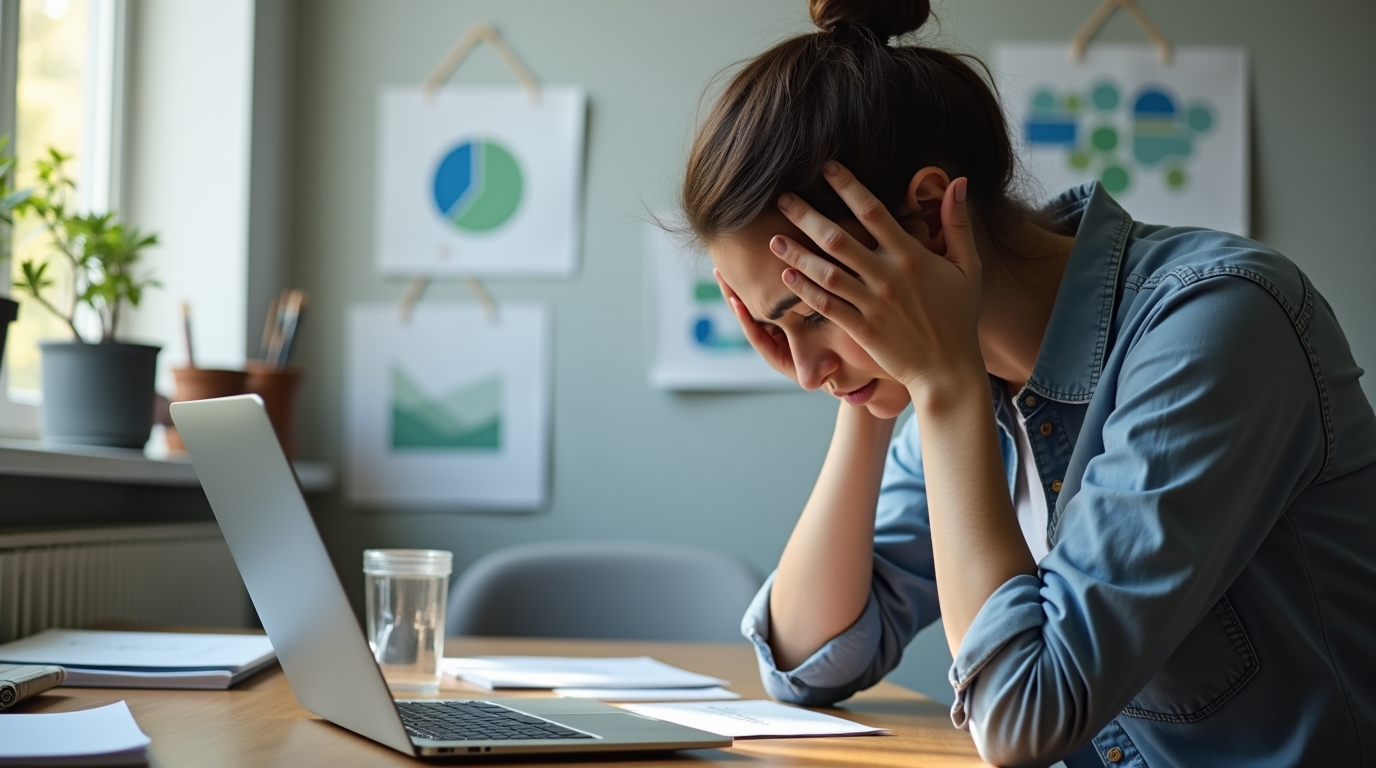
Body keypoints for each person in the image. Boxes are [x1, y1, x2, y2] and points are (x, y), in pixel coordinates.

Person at [679, 1, 1376, 766]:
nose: (801, 371)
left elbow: (1024, 723)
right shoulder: (967, 378)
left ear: (926, 221)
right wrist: (864, 402)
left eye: (812, 312)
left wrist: (936, 387)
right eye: (779, 331)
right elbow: (811, 661)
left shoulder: (1215, 328)